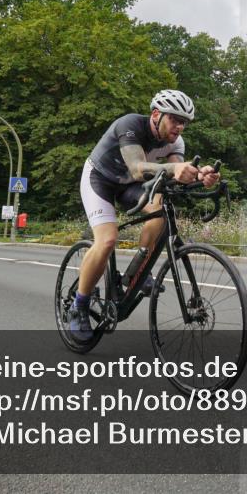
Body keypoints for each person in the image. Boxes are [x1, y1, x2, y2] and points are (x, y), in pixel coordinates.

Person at [69, 89, 220, 341]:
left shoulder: (176, 143)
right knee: (107, 240)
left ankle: (137, 273)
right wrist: (176, 168)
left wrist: (200, 176)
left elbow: (175, 175)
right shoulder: (129, 125)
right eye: (175, 119)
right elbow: (138, 169)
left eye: (184, 122)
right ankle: (79, 305)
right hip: (100, 179)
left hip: (129, 186)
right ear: (156, 115)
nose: (180, 127)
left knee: (161, 211)